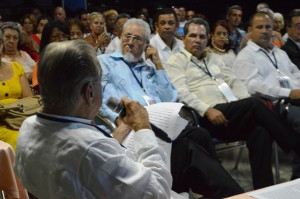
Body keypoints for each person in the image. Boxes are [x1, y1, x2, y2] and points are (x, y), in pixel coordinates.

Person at [98, 18, 244, 197]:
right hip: (133, 126)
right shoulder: (106, 62)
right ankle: (223, 192)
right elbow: (100, 97)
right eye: (127, 37)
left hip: (160, 121)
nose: (130, 42)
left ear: (146, 44)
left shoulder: (149, 69)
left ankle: (208, 191)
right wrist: (118, 120)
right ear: (120, 38)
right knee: (186, 147)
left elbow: (171, 98)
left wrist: (158, 64)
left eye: (137, 39)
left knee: (200, 135)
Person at [13, 39, 174, 199]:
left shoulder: (28, 126)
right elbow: (158, 192)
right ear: (90, 91)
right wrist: (143, 128)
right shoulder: (90, 150)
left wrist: (123, 127)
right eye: (101, 82)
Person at [165, 17, 300, 189]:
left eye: (202, 36)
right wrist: (207, 110)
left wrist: (242, 105)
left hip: (229, 111)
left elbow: (235, 82)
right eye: (192, 36)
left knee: (261, 131)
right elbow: (183, 93)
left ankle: (264, 188)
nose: (197, 40)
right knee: (254, 104)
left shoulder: (213, 58)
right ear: (184, 38)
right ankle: (295, 145)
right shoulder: (176, 61)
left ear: (208, 39)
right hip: (205, 116)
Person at [233, 11, 300, 180]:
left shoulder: (279, 53)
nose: (264, 31)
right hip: (273, 106)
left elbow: (296, 74)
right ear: (250, 30)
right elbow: (253, 86)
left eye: (268, 27)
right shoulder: (245, 56)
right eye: (259, 27)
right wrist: (289, 92)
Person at [0, 29, 33, 151]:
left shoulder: (16, 67)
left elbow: (29, 101)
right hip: (2, 124)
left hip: (19, 119)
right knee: (19, 139)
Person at [31, 20, 70, 92]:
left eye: (64, 36)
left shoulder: (75, 59)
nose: (61, 39)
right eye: (55, 36)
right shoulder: (41, 64)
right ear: (47, 40)